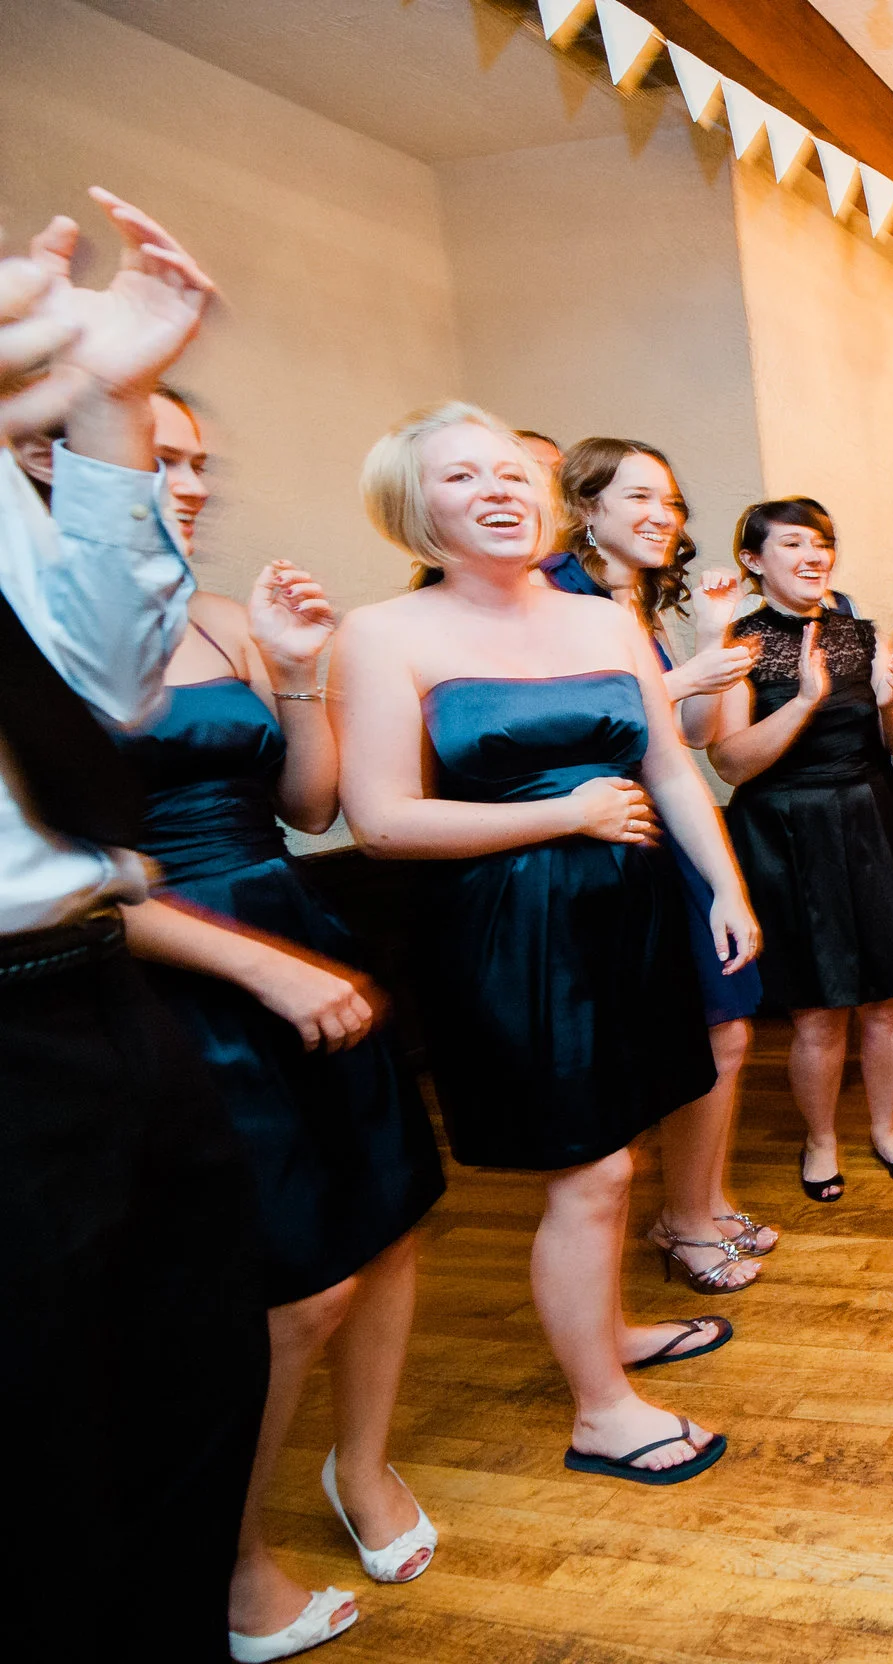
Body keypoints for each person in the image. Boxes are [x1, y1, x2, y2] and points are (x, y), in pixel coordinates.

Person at [334, 402, 761, 1490]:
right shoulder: (385, 633)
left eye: (513, 473)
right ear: (412, 509)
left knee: (621, 1146)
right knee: (592, 1167)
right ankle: (601, 1411)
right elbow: (379, 818)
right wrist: (561, 815)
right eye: (460, 476)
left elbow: (668, 763)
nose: (498, 490)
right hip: (504, 926)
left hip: (631, 905)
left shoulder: (603, 619)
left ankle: (606, 1325)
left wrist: (724, 884)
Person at [107, 392, 446, 1658]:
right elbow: (57, 866)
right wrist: (254, 968)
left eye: (199, 459)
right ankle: (229, 1553)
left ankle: (360, 1468)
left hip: (295, 917)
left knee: (391, 1212)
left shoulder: (222, 619)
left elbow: (305, 806)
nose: (189, 482)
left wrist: (300, 673)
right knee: (290, 1285)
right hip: (165, 967)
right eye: (159, 458)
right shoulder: (32, 634)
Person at [0, 191, 264, 1661]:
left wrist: (113, 409)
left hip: (94, 992)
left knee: (183, 1390)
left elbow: (103, 701)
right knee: (39, 1470)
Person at [546, 437, 775, 1291]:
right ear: (587, 509)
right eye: (640, 497)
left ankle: (702, 1202)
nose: (663, 517)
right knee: (715, 1032)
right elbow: (588, 724)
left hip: (674, 831)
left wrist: (712, 648)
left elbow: (697, 742)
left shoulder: (637, 605)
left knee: (728, 1028)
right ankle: (681, 1218)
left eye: (672, 502)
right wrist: (680, 686)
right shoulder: (556, 599)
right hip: (604, 843)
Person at [709, 498, 893, 1199]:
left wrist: (887, 702)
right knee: (818, 1009)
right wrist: (803, 702)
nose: (815, 557)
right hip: (788, 831)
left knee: (890, 997)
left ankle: (885, 1127)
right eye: (794, 544)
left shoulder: (860, 633)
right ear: (755, 560)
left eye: (823, 544)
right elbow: (731, 763)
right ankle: (820, 1140)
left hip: (870, 818)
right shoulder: (739, 643)